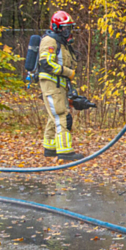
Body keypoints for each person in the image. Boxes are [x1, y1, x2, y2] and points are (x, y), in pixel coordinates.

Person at [38, 10, 85, 161]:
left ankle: (50, 148)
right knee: (61, 116)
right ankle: (65, 151)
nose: (68, 31)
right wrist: (67, 72)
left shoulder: (61, 43)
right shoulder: (49, 41)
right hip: (52, 84)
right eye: (65, 28)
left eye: (69, 28)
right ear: (57, 27)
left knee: (55, 117)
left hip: (59, 85)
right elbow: (46, 63)